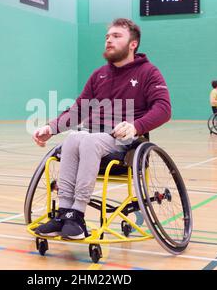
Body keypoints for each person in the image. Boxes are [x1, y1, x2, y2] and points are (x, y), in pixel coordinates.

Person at [31, 18, 171, 240]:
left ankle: (77, 214)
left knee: (88, 139)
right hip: (93, 139)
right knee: (74, 136)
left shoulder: (149, 72)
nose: (109, 40)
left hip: (125, 144)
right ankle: (64, 212)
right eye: (107, 37)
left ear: (133, 44)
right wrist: (51, 127)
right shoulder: (99, 75)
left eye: (116, 36)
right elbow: (78, 110)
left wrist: (136, 126)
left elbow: (164, 109)